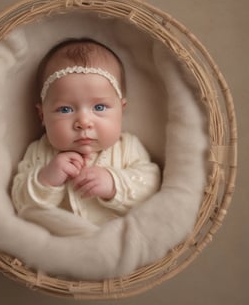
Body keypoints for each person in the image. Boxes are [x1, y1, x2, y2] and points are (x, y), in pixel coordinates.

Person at [11, 38, 160, 226]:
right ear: (42, 115)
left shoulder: (127, 147)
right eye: (65, 109)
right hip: (57, 246)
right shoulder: (39, 152)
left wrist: (114, 184)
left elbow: (152, 187)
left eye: (99, 107)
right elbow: (20, 203)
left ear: (121, 110)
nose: (83, 122)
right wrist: (46, 180)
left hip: (115, 243)